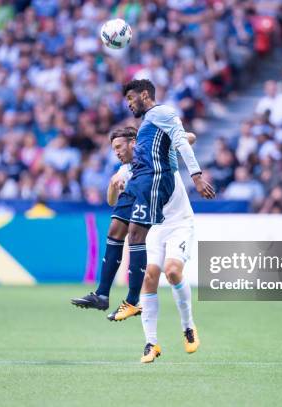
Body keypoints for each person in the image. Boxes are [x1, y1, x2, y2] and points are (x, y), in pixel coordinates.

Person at [71, 79, 214, 321]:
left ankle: (132, 300)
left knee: (136, 234)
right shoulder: (148, 127)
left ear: (145, 95)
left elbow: (183, 139)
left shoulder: (163, 113)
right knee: (116, 228)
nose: (127, 104)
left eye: (130, 98)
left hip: (156, 180)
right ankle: (102, 294)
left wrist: (197, 177)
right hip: (140, 179)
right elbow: (185, 137)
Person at [105, 126, 200, 363]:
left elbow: (192, 137)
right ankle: (151, 343)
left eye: (118, 147)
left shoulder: (158, 151)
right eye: (113, 149)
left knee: (173, 271)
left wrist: (179, 139)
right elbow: (111, 201)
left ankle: (188, 326)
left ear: (133, 143)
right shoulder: (126, 170)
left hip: (179, 223)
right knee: (150, 276)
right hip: (155, 225)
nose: (116, 152)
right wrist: (113, 182)